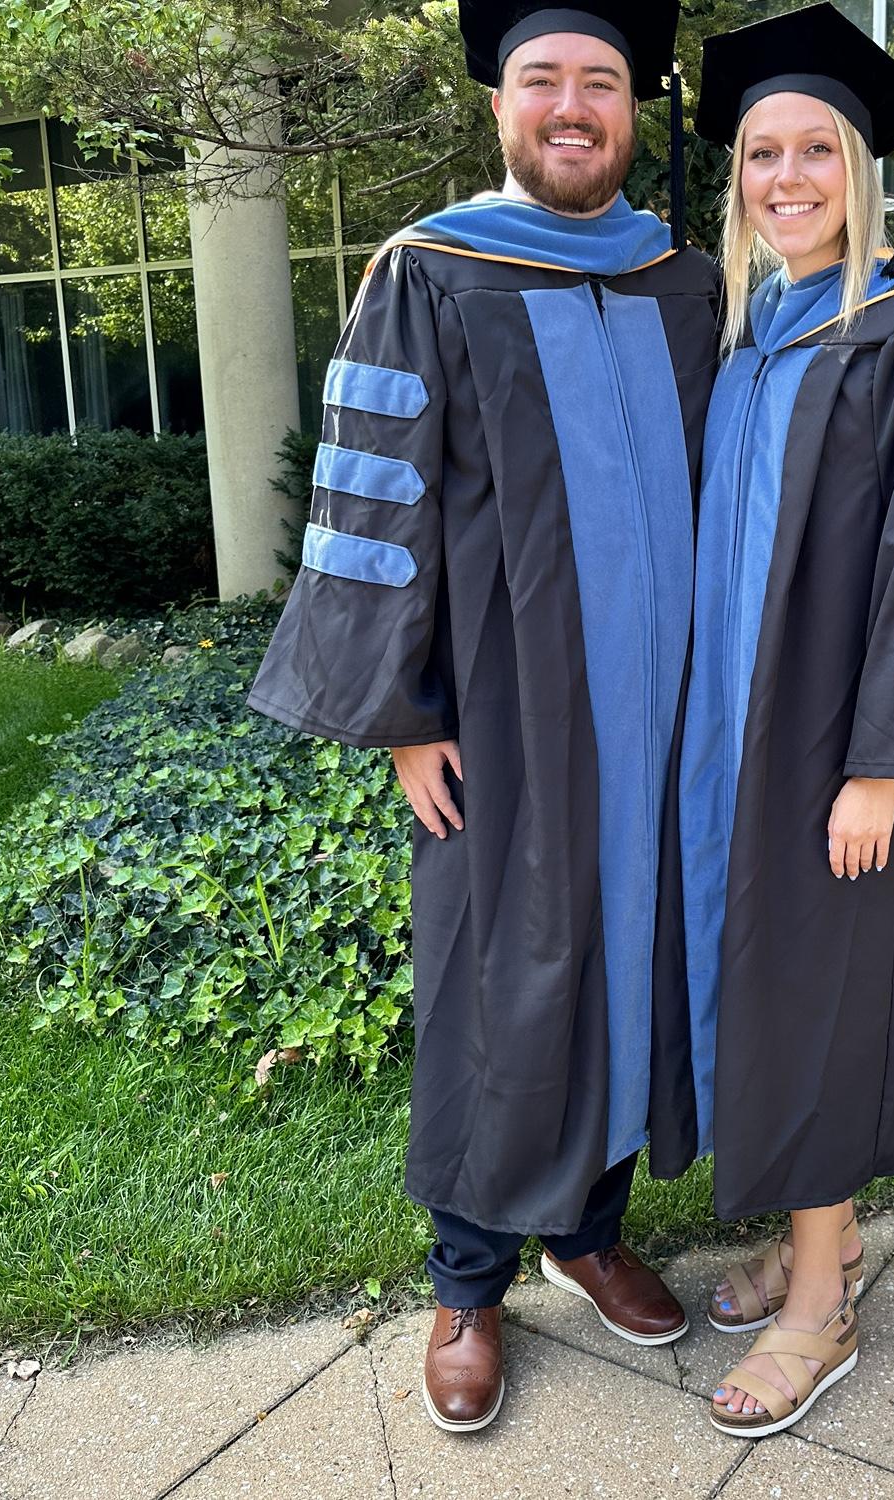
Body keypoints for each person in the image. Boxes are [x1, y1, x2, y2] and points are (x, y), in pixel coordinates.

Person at [246, 0, 721, 1435]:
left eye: (602, 81)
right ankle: (467, 1280)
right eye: (542, 79)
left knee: (633, 959)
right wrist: (404, 713)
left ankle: (586, 1230)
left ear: (633, 107)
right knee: (497, 974)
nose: (573, 106)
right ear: (499, 105)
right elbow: (375, 494)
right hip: (507, 709)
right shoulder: (433, 271)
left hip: (670, 714)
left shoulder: (685, 282)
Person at [676, 2, 894, 1440]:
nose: (788, 178)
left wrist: (882, 767)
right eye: (762, 154)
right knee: (774, 987)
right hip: (739, 736)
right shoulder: (747, 335)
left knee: (817, 998)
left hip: (844, 748)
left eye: (815, 149)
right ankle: (809, 1240)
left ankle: (820, 1307)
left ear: (861, 167)